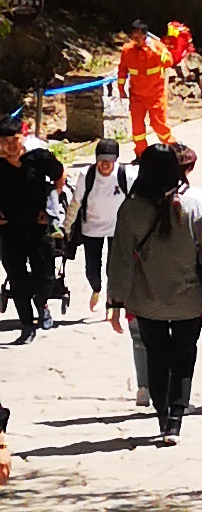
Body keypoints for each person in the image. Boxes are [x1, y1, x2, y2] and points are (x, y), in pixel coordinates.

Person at [107, 142, 202, 442]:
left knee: (156, 356)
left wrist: (116, 300)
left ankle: (161, 414)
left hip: (147, 299)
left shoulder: (131, 209)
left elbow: (119, 259)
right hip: (189, 297)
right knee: (184, 356)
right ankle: (175, 418)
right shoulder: (192, 204)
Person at [0, 109, 64, 340]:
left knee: (46, 279)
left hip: (38, 229)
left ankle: (41, 304)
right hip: (8, 231)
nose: (9, 146)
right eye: (4, 142)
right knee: (17, 280)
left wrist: (51, 206)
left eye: (13, 140)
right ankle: (26, 325)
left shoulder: (38, 159)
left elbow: (59, 175)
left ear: (22, 137)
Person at [65, 138, 131, 312]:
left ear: (115, 160)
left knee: (114, 269)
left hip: (117, 229)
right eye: (101, 160)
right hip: (91, 228)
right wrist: (65, 227)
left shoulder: (126, 176)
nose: (105, 165)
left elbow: (138, 202)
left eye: (109, 161)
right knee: (91, 270)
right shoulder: (87, 175)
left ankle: (111, 300)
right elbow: (75, 203)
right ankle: (96, 289)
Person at [115, 24, 172, 149]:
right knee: (137, 128)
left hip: (155, 95)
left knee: (159, 125)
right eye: (133, 36)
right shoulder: (127, 50)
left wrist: (155, 51)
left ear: (145, 35)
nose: (135, 39)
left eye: (138, 36)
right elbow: (122, 70)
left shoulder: (158, 47)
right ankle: (140, 153)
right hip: (137, 95)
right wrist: (121, 88)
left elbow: (169, 62)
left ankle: (174, 149)